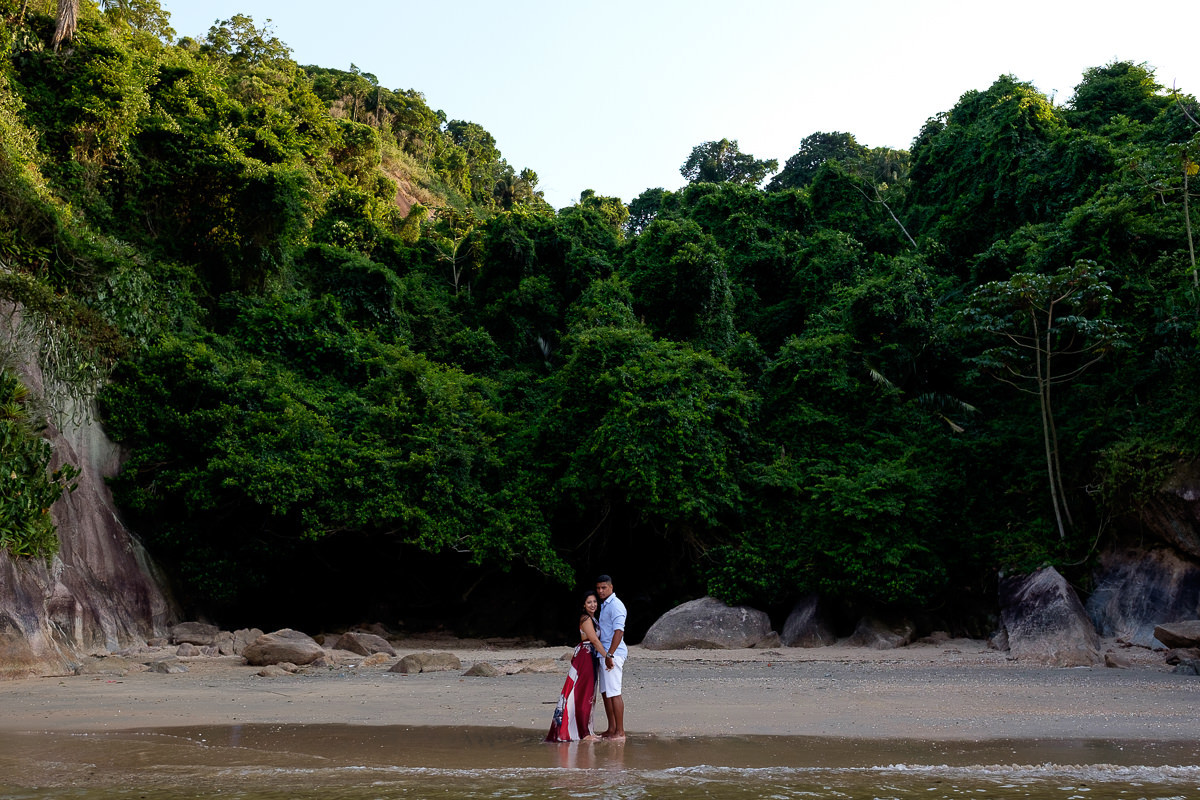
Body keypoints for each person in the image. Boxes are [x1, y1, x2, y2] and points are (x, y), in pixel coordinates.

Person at [545, 590, 607, 742]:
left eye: (594, 601)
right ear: (583, 605)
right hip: (586, 657)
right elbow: (594, 640)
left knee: (587, 694)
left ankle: (586, 731)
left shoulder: (593, 618)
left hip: (590, 656)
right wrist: (608, 656)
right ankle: (584, 733)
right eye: (589, 602)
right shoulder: (586, 618)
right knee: (582, 693)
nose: (593, 604)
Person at [594, 574, 627, 740]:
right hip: (604, 653)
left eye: (604, 588)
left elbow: (619, 631)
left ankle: (620, 731)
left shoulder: (616, 605)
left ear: (611, 587)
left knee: (614, 692)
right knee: (606, 693)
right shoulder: (605, 605)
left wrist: (610, 654)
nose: (600, 591)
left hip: (613, 653)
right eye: (598, 588)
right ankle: (612, 728)